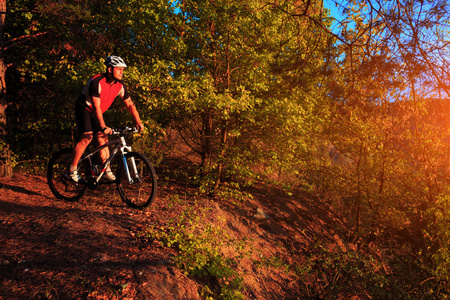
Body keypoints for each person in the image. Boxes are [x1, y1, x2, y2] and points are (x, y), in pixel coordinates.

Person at [68, 55, 144, 182]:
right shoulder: (96, 81)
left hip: (97, 112)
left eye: (122, 70)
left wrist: (138, 122)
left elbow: (130, 104)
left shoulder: (120, 86)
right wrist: (103, 126)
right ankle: (71, 170)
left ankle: (106, 170)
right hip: (84, 108)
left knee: (103, 138)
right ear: (110, 69)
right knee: (87, 137)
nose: (122, 72)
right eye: (119, 69)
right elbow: (96, 106)